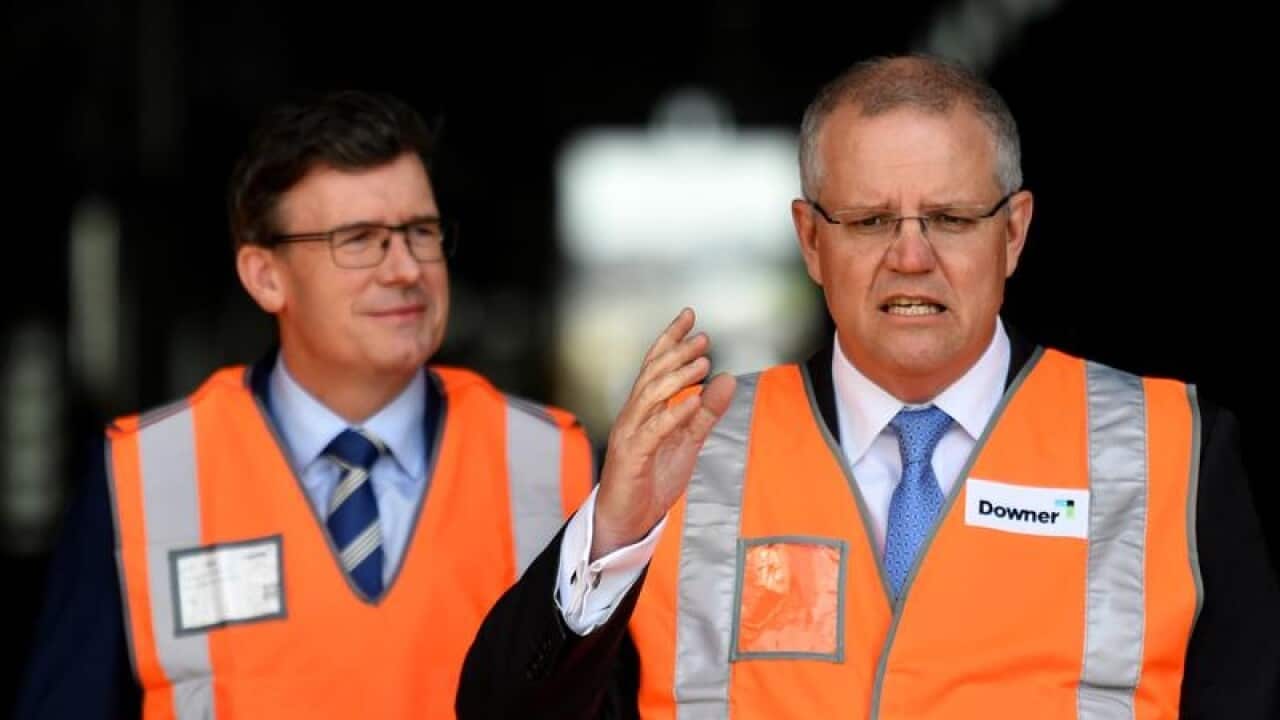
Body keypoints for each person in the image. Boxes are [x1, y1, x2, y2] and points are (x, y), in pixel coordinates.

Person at [457, 55, 1280, 719]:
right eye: (870, 220)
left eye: (951, 218)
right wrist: (611, 534)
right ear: (811, 241)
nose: (911, 255)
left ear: (1015, 232)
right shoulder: (685, 453)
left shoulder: (1176, 448)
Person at [16, 90, 593, 719]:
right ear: (265, 276)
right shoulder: (146, 476)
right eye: (359, 239)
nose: (405, 268)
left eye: (420, 232)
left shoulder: (553, 462)